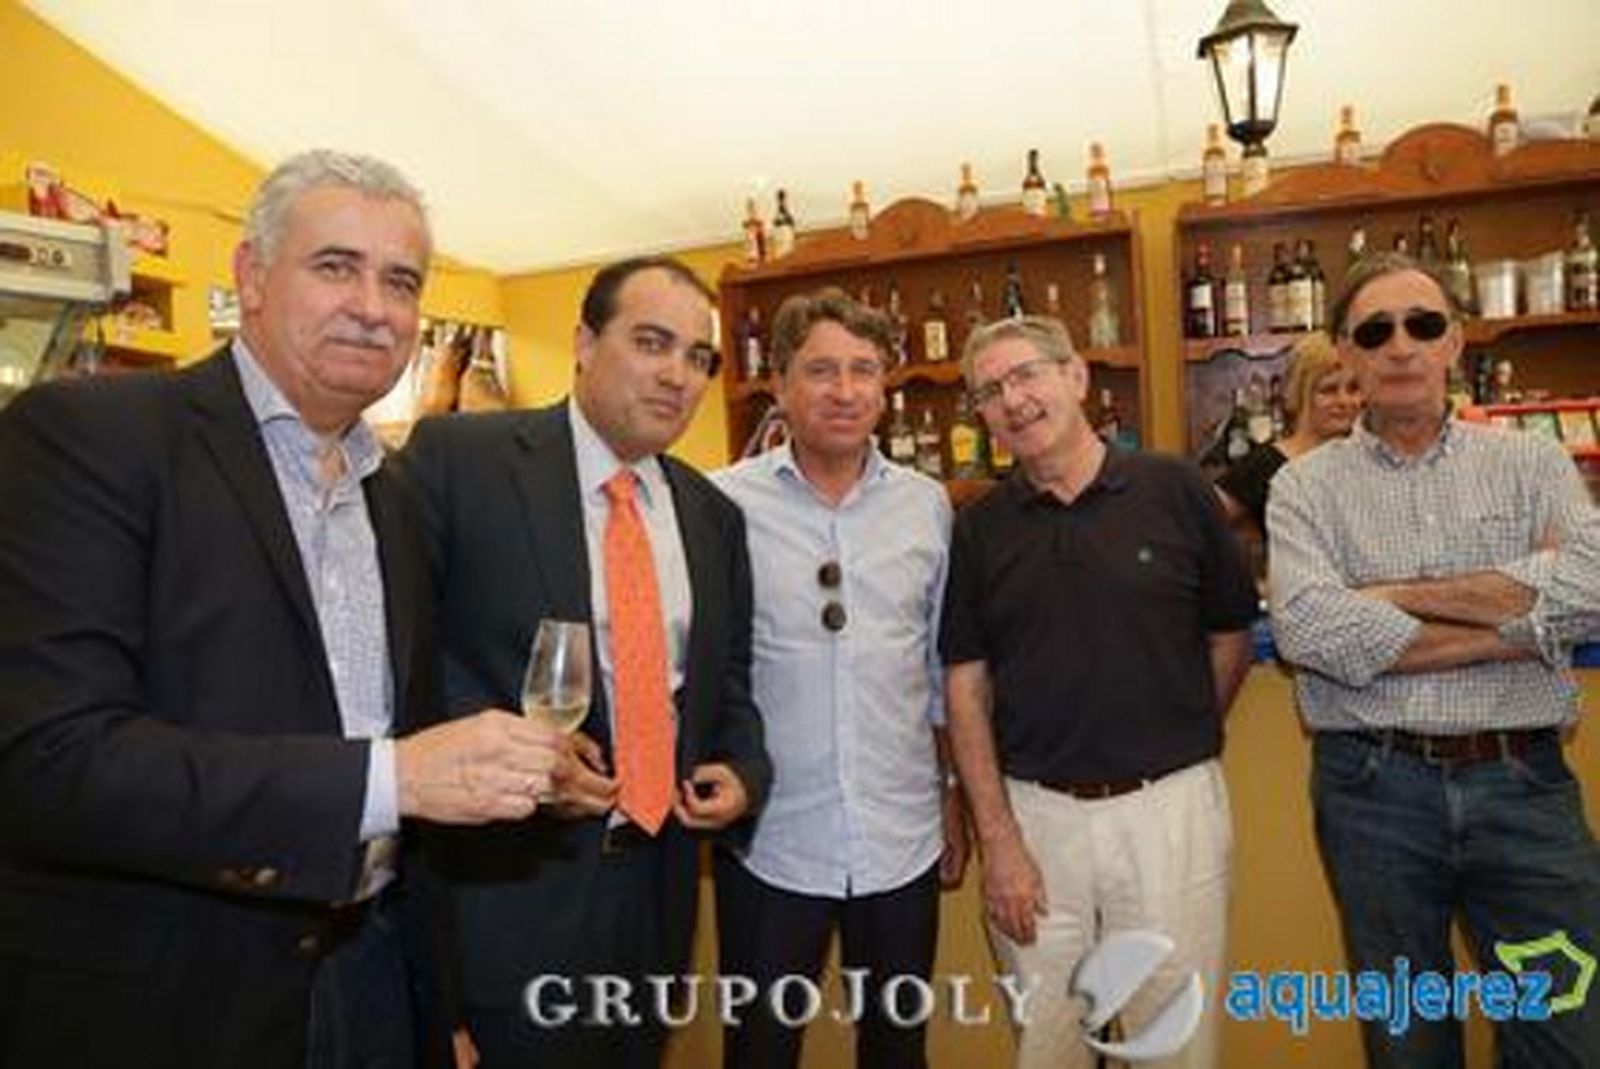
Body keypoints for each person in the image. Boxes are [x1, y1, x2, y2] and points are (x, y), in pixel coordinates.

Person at [0, 150, 570, 1069]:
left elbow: (384, 726)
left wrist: (443, 1002)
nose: (375, 307)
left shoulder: (392, 494)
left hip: (379, 971)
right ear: (251, 277)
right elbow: (53, 765)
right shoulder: (91, 437)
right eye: (336, 266)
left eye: (401, 281)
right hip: (174, 1000)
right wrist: (397, 779)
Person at [398, 255, 772, 1068]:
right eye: (651, 342)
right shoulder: (462, 462)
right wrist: (520, 763)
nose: (678, 374)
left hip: (658, 889)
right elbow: (399, 668)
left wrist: (745, 771)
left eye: (698, 357)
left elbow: (726, 680)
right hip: (508, 900)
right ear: (582, 342)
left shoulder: (712, 515)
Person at [1268, 251, 1600, 1067]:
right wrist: (1519, 620)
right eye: (1374, 330)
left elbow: (1587, 590)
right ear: (1343, 354)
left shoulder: (1532, 461)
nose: (1400, 346)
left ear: (1456, 341)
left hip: (1524, 783)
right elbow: (1314, 634)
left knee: (1568, 1038)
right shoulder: (1305, 487)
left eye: (1423, 325)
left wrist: (1387, 595)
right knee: (1407, 1043)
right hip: (1373, 790)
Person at [939, 316, 1256, 1069]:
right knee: (1048, 1047)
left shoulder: (1175, 488)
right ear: (980, 416)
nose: (1012, 400)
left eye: (1026, 375)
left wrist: (1178, 732)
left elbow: (1230, 633)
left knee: (1171, 1046)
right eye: (990, 390)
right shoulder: (978, 530)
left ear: (1075, 376)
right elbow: (965, 689)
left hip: (1170, 813)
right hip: (1037, 822)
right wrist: (1000, 841)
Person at [710, 289, 965, 1069]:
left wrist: (952, 793)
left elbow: (935, 668)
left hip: (900, 834)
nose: (845, 390)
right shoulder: (721, 503)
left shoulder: (927, 507)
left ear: (886, 385)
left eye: (863, 369)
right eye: (821, 369)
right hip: (770, 837)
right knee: (758, 1049)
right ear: (779, 382)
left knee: (896, 1048)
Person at [1214, 331, 1363, 538]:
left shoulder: (1371, 457)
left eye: (1354, 388)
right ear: (1299, 392)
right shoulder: (1266, 465)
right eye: (1329, 390)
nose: (1345, 401)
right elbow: (1194, 523)